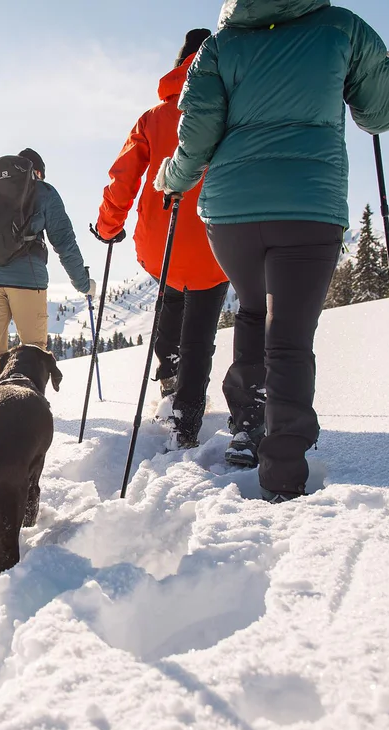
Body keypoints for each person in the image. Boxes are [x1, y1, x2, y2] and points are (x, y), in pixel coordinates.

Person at [154, 0, 389, 502]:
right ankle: (283, 473)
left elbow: (197, 135)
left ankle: (248, 428)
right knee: (288, 335)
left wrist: (172, 178)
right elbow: (382, 113)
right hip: (308, 205)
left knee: (252, 308)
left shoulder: (220, 47)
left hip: (231, 213)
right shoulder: (342, 28)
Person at [94, 28, 229, 450]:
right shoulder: (235, 107)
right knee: (202, 322)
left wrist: (108, 225)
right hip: (217, 238)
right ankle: (186, 417)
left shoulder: (153, 116)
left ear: (179, 63)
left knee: (173, 295)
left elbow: (124, 176)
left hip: (163, 241)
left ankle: (169, 377)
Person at [0, 148, 94, 391]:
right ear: (37, 172)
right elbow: (64, 242)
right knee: (34, 350)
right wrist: (83, 283)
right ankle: (28, 411)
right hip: (28, 280)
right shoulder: (44, 192)